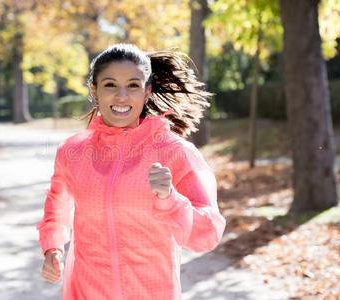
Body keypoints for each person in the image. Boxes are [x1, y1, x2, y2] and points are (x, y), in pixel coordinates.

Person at [36, 43, 226, 299]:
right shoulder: (73, 152)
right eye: (110, 85)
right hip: (86, 290)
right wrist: (52, 249)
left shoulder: (173, 152)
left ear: (147, 91)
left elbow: (208, 235)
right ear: (94, 90)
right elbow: (56, 212)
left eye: (133, 85)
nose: (121, 96)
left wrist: (170, 199)